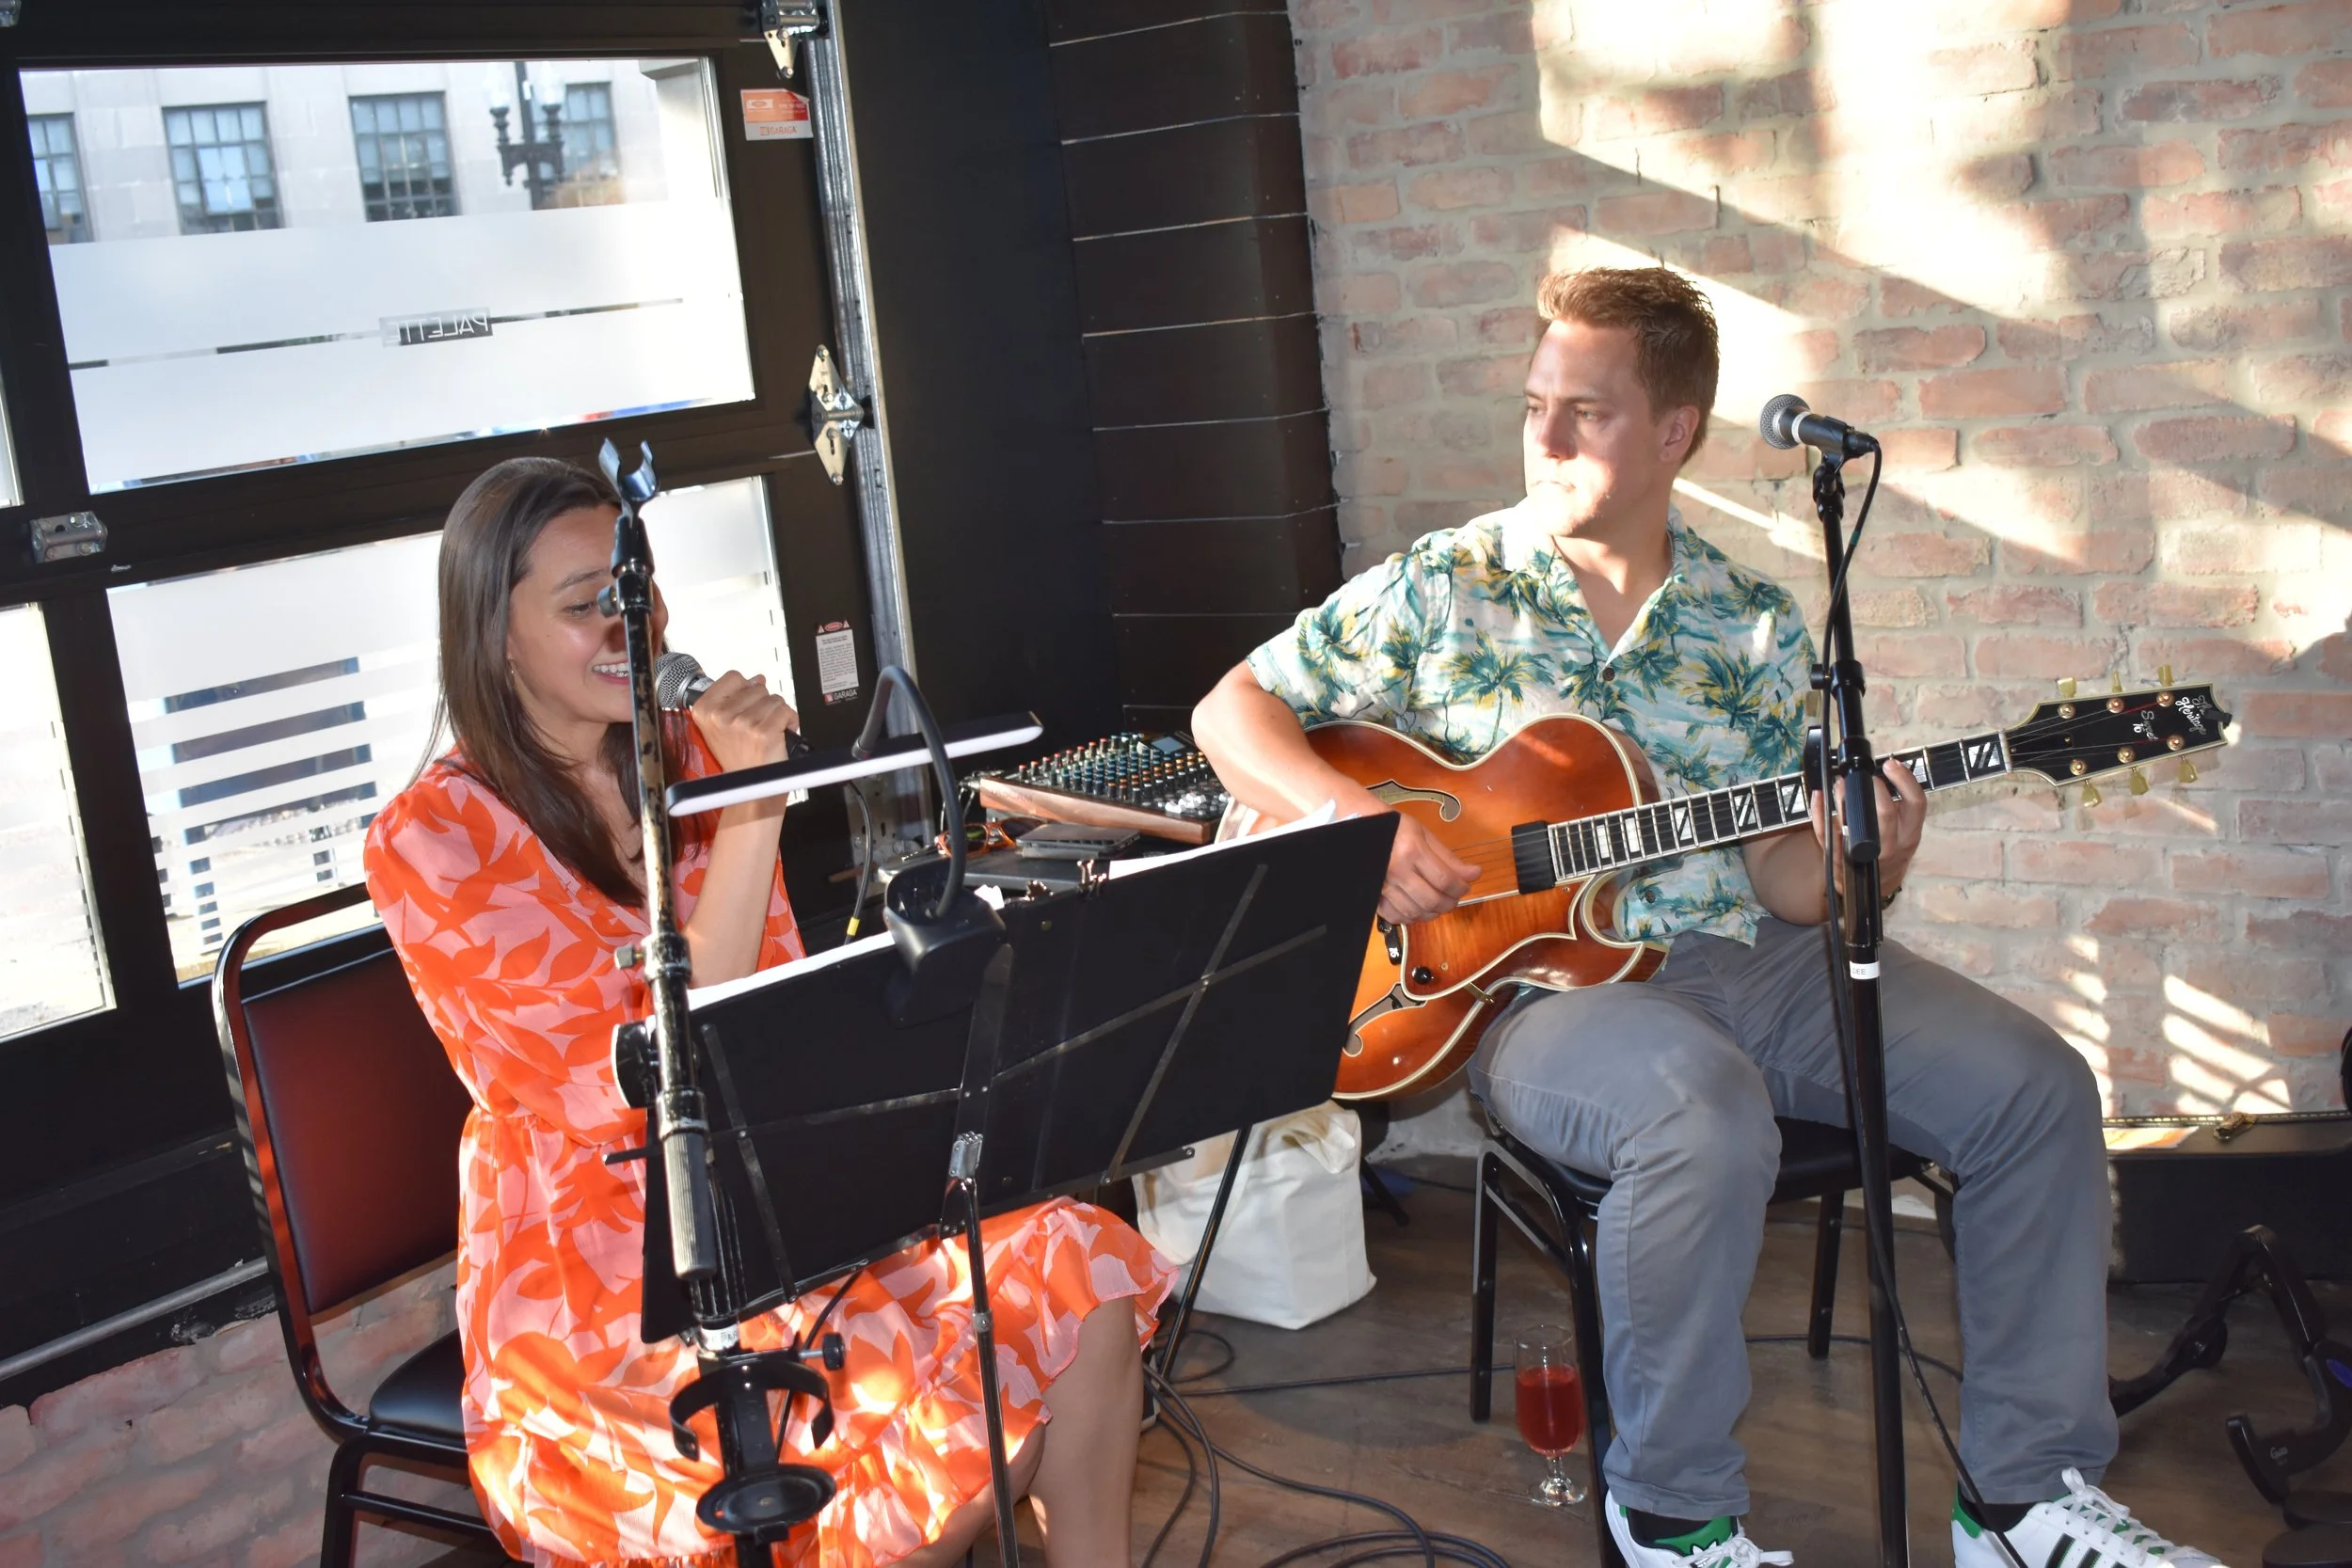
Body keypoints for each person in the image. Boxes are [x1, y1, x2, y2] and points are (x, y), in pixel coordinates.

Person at [1191, 268, 2228, 1568]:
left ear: (1675, 430)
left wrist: (1867, 860)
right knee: (1702, 1107)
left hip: (1748, 956)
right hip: (1541, 995)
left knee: (2037, 1087)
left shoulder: (1746, 622)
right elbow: (1229, 710)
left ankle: (2026, 1499)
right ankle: (1677, 1515)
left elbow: (1780, 876)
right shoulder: (1443, 582)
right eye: (1535, 408)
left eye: (1588, 410)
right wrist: (1357, 819)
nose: (1549, 438)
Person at [365, 456, 1173, 1568]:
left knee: (1073, 1267)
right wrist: (751, 817)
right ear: (493, 635)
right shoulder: (431, 836)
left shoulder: (687, 756)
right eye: (583, 603)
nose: (629, 626)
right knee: (882, 1462)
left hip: (779, 1196)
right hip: (605, 1265)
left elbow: (771, 1021)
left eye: (635, 591)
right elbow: (639, 1078)